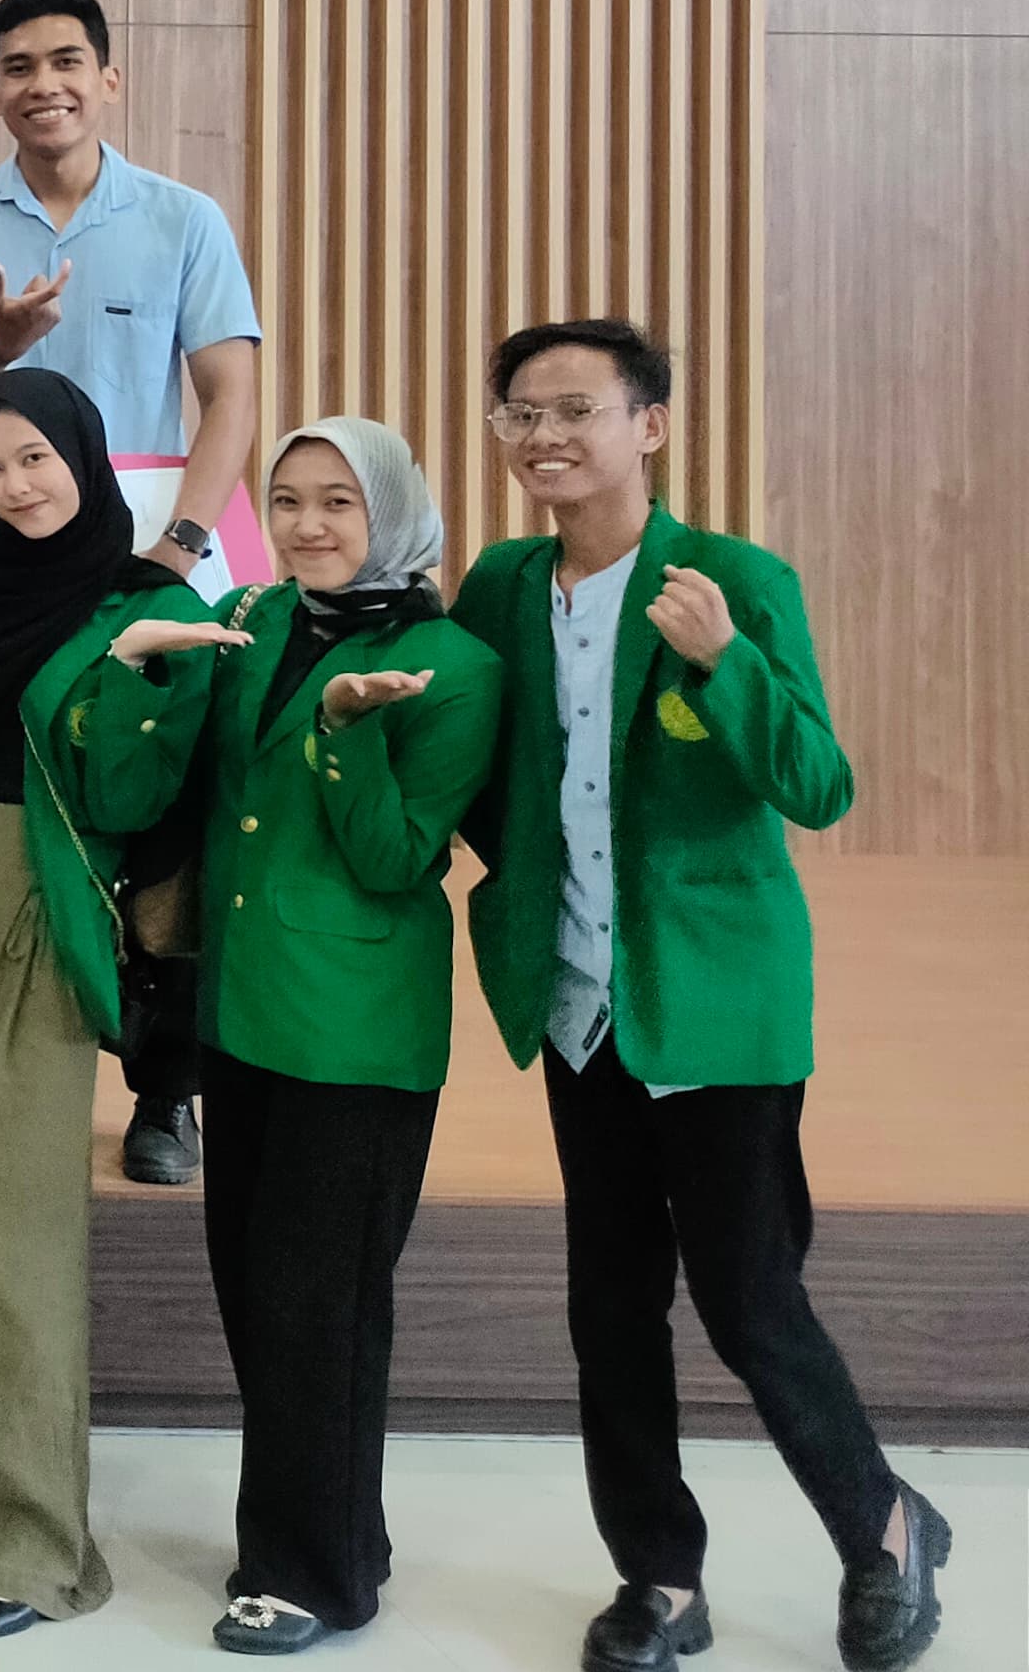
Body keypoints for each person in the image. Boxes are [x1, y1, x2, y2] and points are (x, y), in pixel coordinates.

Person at [454, 322, 948, 1672]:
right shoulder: (499, 584)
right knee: (608, 1305)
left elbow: (818, 784)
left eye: (575, 407)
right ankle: (659, 1576)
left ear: (649, 424)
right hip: (579, 999)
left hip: (716, 1002)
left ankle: (884, 1527)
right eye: (520, 413)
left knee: (746, 1296)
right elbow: (483, 762)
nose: (544, 434)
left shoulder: (731, 578)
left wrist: (727, 659)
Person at [0, 367, 235, 1637]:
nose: (16, 483)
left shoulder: (145, 602)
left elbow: (134, 801)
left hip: (43, 905)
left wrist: (124, 670)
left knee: (12, 1228)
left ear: (83, 454)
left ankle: (26, 1545)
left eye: (35, 456)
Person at [0, 0, 263, 1188]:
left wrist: (184, 542)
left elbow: (229, 392)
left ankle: (164, 1089)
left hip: (145, 563)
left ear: (108, 76)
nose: (41, 83)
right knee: (18, 821)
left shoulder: (181, 217)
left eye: (64, 60)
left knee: (163, 826)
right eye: (16, 65)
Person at [189, 418, 501, 1655]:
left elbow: (393, 854)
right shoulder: (255, 618)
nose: (307, 522)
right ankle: (336, 1531)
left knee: (317, 1304)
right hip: (240, 1006)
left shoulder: (452, 663)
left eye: (337, 500)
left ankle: (308, 1572)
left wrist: (345, 727)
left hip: (354, 1028)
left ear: (392, 510)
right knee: (247, 1287)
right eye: (285, 497)